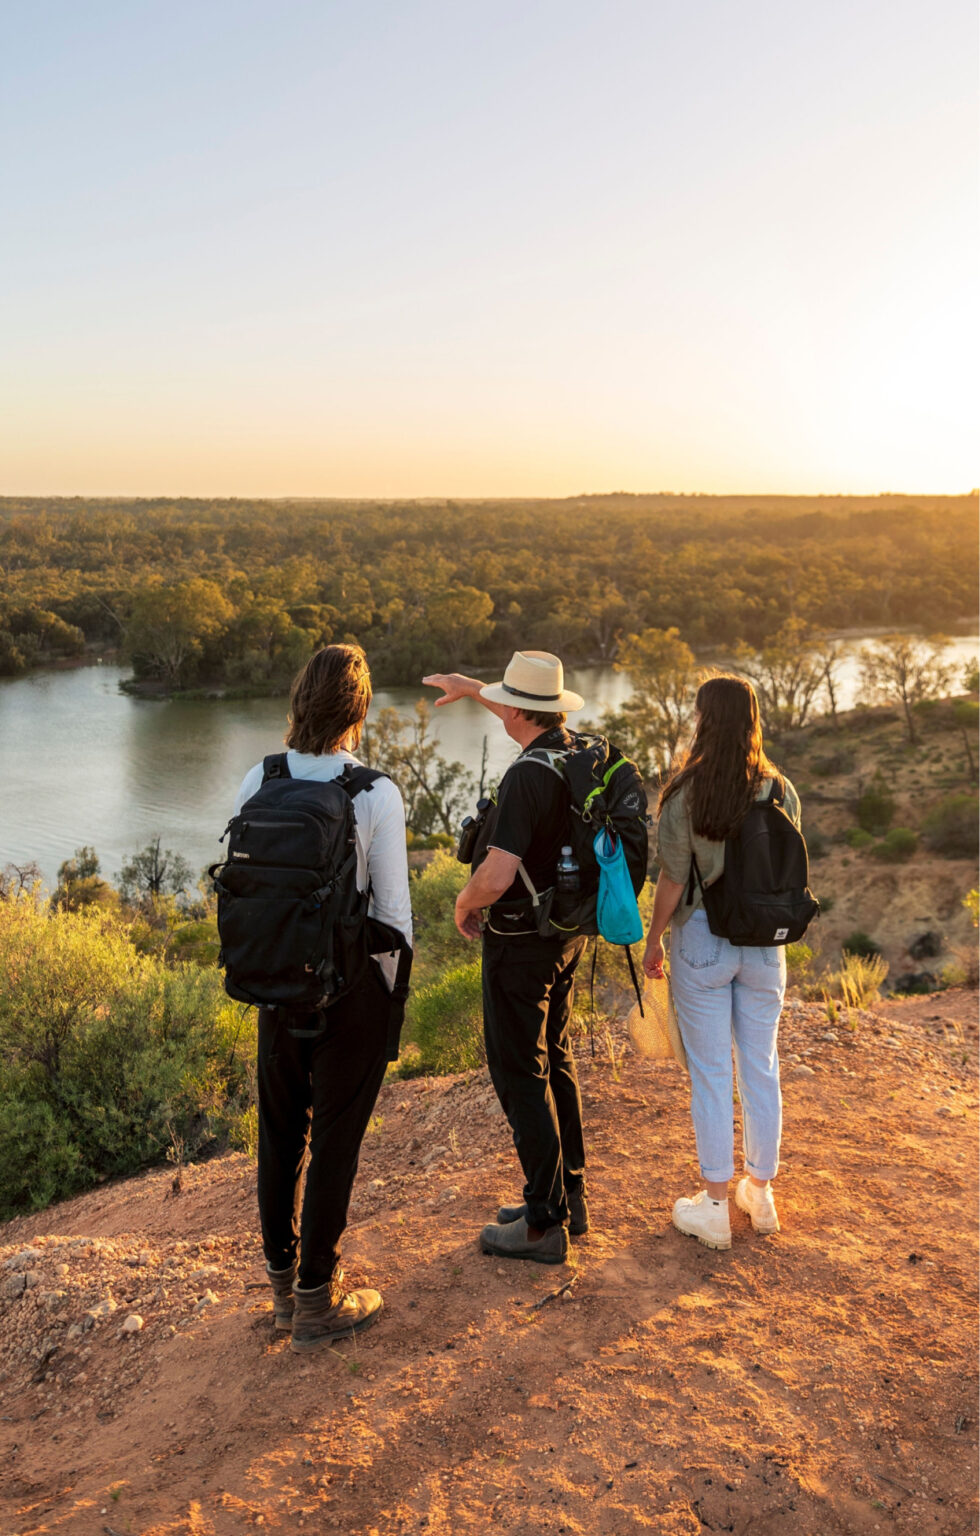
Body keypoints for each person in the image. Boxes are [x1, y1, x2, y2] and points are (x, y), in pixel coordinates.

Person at [233, 644, 412, 1349]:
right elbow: (393, 917)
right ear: (357, 712)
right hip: (349, 992)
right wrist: (389, 1007)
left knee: (279, 1138)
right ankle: (317, 1300)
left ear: (299, 699)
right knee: (335, 1142)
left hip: (275, 988)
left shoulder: (260, 778)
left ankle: (283, 1291)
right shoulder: (374, 792)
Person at [424, 651, 590, 1265]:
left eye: (503, 701)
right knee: (556, 1058)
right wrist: (472, 689)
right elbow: (520, 712)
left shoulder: (525, 777)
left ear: (518, 711)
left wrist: (463, 903)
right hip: (565, 934)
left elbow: (495, 875)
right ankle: (569, 1197)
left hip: (519, 944)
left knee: (520, 1074)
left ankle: (544, 1224)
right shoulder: (573, 751)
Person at [642, 674, 801, 1251]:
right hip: (765, 943)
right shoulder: (780, 788)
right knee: (761, 1065)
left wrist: (654, 940)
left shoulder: (686, 792)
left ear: (703, 719)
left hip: (704, 939)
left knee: (710, 1074)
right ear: (753, 719)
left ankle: (713, 1206)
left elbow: (673, 878)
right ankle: (760, 1192)